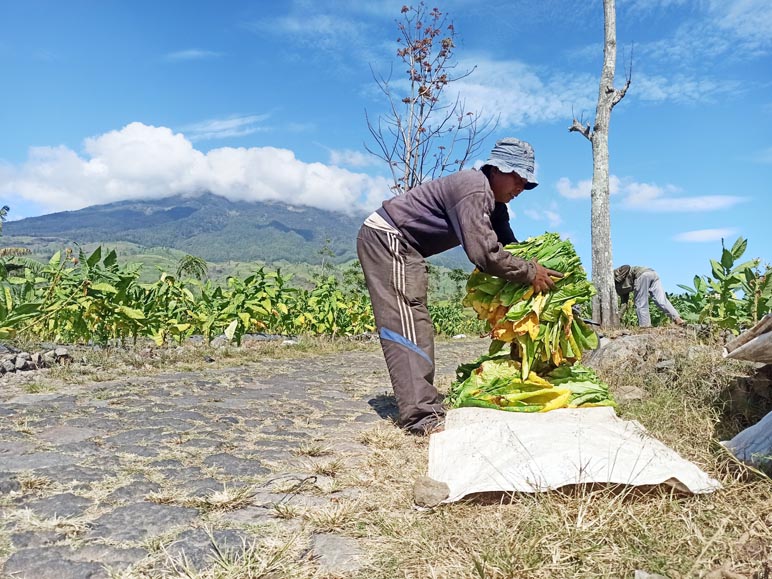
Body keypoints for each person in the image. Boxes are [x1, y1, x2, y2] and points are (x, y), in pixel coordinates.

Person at [356, 137, 562, 435]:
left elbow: (509, 247)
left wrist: (540, 273)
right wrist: (529, 273)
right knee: (408, 320)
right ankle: (420, 417)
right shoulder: (474, 188)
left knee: (415, 319)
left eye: (526, 182)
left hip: (404, 245)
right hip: (389, 239)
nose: (520, 186)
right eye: (516, 176)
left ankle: (421, 405)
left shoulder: (495, 205)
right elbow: (484, 254)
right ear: (495, 169)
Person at [614, 265, 685, 328]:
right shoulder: (620, 290)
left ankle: (645, 326)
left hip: (642, 274)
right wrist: (619, 317)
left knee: (640, 302)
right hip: (653, 274)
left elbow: (626, 267)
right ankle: (677, 318)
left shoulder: (611, 277)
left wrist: (617, 280)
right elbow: (624, 303)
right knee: (661, 300)